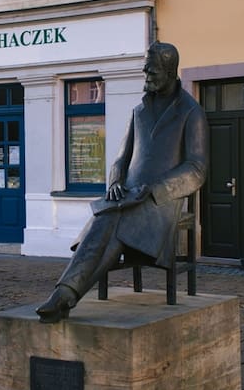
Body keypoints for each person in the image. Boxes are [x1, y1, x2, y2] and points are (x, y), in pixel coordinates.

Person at [36, 42, 208, 323]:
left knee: (111, 223)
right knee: (106, 218)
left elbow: (197, 169)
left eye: (151, 70)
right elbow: (120, 159)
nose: (146, 74)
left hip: (161, 201)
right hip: (128, 196)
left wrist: (155, 189)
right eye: (145, 69)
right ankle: (65, 294)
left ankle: (66, 294)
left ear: (169, 71)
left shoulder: (191, 111)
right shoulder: (139, 111)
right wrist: (115, 181)